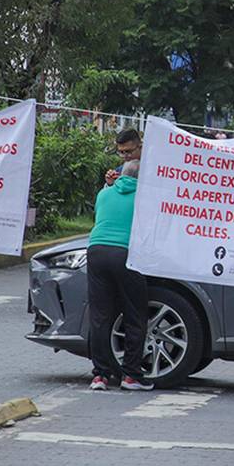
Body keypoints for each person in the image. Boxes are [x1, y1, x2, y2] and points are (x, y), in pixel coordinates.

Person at [87, 159, 152, 391]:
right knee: (135, 315)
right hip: (125, 253)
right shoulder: (145, 198)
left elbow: (99, 217)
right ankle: (131, 375)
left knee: (100, 316)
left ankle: (100, 376)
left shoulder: (104, 194)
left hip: (96, 251)